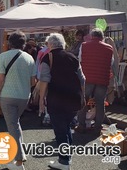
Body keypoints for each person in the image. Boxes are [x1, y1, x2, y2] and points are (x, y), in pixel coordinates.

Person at [0, 32, 36, 170]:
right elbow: (33, 82)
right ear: (24, 43)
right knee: (15, 124)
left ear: (9, 43)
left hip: (7, 96)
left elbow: (0, 80)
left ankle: (19, 160)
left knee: (12, 126)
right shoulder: (30, 58)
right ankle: (20, 154)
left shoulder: (3, 56)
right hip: (24, 97)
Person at [39, 33, 85, 170]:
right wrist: (83, 95)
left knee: (60, 130)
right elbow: (82, 78)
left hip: (57, 99)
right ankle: (67, 158)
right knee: (66, 128)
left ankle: (64, 161)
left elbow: (44, 80)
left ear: (50, 44)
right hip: (74, 98)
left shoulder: (48, 57)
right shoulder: (73, 57)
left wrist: (41, 99)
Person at [75, 28, 113, 134]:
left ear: (92, 36)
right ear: (102, 37)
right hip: (102, 79)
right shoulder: (109, 48)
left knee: (84, 101)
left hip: (87, 78)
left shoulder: (84, 45)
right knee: (100, 103)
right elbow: (111, 63)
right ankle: (97, 127)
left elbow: (80, 61)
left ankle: (81, 125)